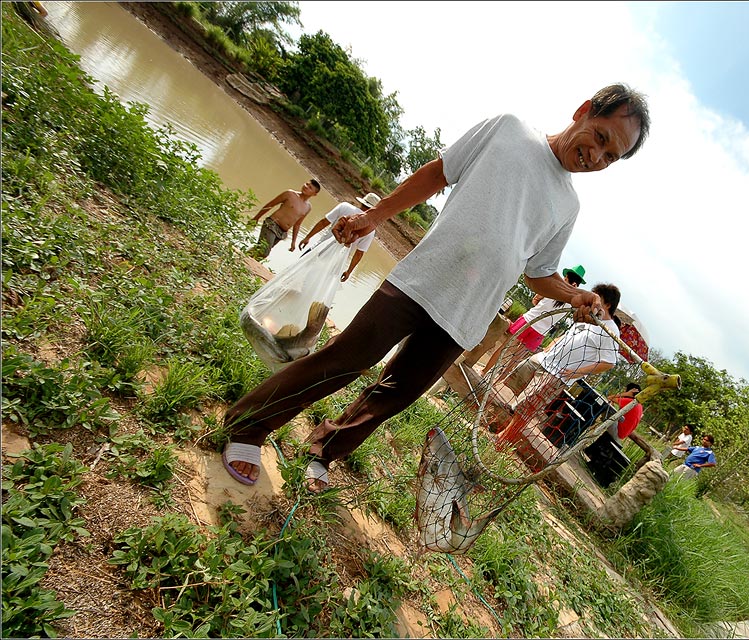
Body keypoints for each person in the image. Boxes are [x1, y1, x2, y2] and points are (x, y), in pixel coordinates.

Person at [221, 83, 651, 492]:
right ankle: (249, 425)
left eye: (611, 157)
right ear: (583, 111)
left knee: (396, 394)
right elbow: (438, 174)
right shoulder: (509, 129)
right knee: (346, 359)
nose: (596, 156)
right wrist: (376, 215)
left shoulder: (569, 205)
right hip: (421, 279)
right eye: (599, 137)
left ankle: (324, 449)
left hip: (468, 315)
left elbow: (538, 272)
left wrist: (572, 294)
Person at [497, 283, 622, 442]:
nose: (592, 301)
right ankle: (495, 422)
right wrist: (553, 343)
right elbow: (571, 334)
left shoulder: (610, 330)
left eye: (597, 299)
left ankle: (502, 440)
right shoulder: (587, 315)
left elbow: (609, 363)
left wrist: (578, 373)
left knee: (526, 408)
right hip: (544, 359)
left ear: (608, 305)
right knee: (512, 384)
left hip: (559, 374)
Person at [480, 265, 586, 379]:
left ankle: (484, 372)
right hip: (540, 332)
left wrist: (542, 308)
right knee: (515, 359)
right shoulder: (574, 301)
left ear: (566, 277)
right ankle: (495, 383)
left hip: (529, 320)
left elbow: (535, 299)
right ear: (578, 284)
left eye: (565, 277)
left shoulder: (553, 288)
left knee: (505, 349)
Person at [297, 192, 381, 282]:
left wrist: (307, 237)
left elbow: (324, 222)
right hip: (333, 264)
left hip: (318, 250)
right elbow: (359, 253)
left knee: (296, 272)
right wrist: (349, 271)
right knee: (313, 286)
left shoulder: (345, 207)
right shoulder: (370, 229)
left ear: (362, 202)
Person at [247, 179, 321, 260]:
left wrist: (293, 242)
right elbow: (270, 204)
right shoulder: (290, 194)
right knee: (264, 252)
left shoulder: (308, 207)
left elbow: (297, 224)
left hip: (282, 233)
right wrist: (256, 218)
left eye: (310, 187)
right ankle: (242, 260)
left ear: (314, 194)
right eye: (306, 184)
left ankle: (242, 259)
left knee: (260, 251)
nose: (306, 187)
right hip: (271, 225)